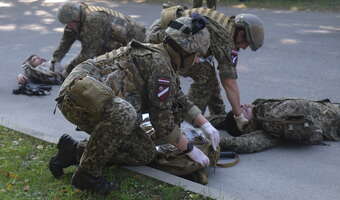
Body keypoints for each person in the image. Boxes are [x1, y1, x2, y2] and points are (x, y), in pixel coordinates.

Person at [49, 16, 220, 194]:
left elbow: (177, 97)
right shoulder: (161, 66)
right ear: (185, 52)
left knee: (143, 152)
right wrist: (191, 150)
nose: (197, 61)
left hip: (85, 91)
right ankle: (87, 175)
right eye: (197, 55)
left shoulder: (162, 55)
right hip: (77, 97)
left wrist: (205, 124)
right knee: (125, 115)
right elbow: (162, 124)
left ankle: (73, 151)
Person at [145, 7, 264, 126]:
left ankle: (218, 115)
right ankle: (186, 122)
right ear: (241, 34)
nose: (244, 48)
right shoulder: (226, 40)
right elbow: (229, 83)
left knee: (208, 71)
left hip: (166, 32)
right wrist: (239, 116)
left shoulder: (228, 26)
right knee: (205, 76)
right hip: (161, 38)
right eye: (246, 43)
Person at [210, 98, 340, 153]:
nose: (243, 105)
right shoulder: (268, 129)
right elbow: (242, 144)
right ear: (244, 125)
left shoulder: (259, 108)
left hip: (331, 107)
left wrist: (201, 120)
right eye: (241, 111)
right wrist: (210, 140)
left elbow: (222, 120)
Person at [51, 2, 146, 76]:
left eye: (70, 24)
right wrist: (56, 60)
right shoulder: (76, 19)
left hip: (135, 40)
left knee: (107, 61)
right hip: (112, 37)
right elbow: (66, 40)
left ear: (76, 18)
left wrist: (68, 69)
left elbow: (88, 53)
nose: (68, 27)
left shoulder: (93, 20)